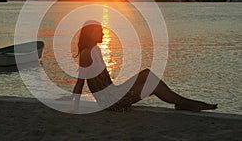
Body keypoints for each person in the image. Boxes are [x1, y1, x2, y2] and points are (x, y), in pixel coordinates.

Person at [70, 20, 217, 112]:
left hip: (114, 92)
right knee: (153, 86)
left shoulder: (95, 50)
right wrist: (75, 108)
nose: (103, 33)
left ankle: (183, 103)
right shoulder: (86, 54)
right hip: (110, 101)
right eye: (99, 31)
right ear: (90, 34)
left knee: (147, 73)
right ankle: (190, 104)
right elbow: (80, 81)